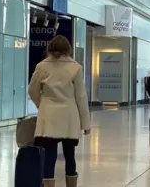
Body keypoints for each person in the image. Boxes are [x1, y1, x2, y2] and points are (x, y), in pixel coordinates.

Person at [28, 35, 91, 187]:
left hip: (48, 116)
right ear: (68, 49)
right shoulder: (75, 67)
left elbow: (32, 90)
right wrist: (85, 123)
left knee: (49, 156)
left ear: (49, 49)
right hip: (70, 116)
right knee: (70, 155)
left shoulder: (42, 66)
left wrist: (42, 105)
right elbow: (81, 97)